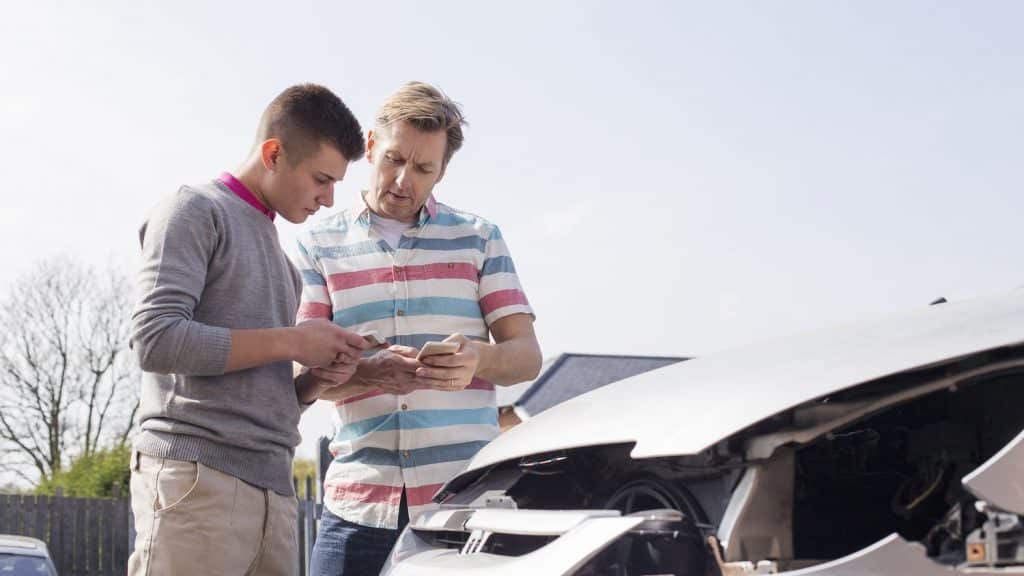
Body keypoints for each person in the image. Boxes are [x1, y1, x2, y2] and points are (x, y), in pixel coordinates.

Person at [295, 82, 542, 576]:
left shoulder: (480, 238)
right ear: (370, 147)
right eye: (393, 159)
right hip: (358, 506)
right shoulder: (316, 244)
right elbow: (304, 378)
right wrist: (368, 374)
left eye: (424, 168)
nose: (403, 180)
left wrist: (478, 358)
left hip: (463, 505)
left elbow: (526, 356)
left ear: (442, 170)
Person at [128, 84, 371, 576]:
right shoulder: (193, 209)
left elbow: (258, 389)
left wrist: (314, 382)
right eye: (321, 179)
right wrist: (295, 341)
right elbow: (155, 339)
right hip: (198, 483)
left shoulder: (284, 265)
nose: (328, 199)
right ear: (274, 154)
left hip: (275, 493)